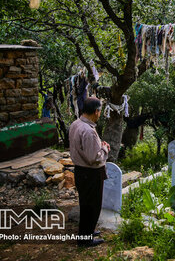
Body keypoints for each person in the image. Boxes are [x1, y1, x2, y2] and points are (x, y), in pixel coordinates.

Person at [69, 97, 110, 247]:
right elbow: (94, 158)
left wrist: (99, 146)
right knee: (92, 206)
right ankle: (85, 239)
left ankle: (87, 231)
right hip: (91, 173)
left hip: (80, 170)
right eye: (100, 111)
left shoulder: (76, 124)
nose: (100, 114)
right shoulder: (88, 131)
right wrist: (105, 149)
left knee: (85, 204)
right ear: (96, 111)